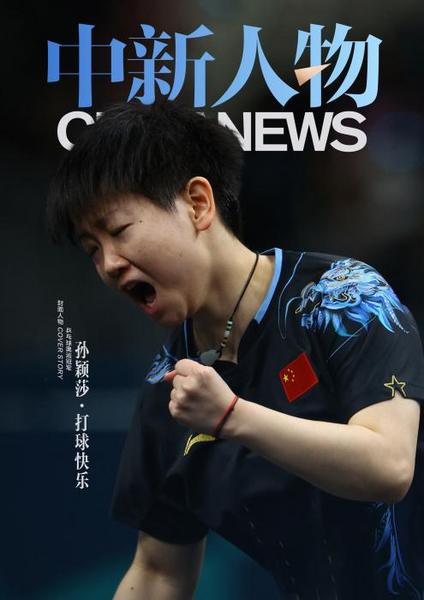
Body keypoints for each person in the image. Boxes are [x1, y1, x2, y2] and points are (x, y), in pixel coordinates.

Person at [46, 102, 424, 600]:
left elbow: (389, 466)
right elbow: (158, 574)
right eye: (92, 249)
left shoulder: (343, 300)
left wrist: (229, 416)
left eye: (118, 231)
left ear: (197, 203)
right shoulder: (169, 390)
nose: (109, 264)